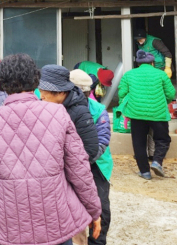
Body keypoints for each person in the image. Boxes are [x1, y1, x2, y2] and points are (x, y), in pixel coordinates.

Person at [0, 54, 102, 245]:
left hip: (9, 225)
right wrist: (94, 210)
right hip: (57, 222)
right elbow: (79, 169)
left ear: (2, 83)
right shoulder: (58, 113)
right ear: (35, 81)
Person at [118, 50, 176, 180]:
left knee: (139, 143)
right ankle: (157, 161)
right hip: (158, 113)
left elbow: (122, 93)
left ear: (138, 63)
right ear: (152, 63)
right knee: (162, 139)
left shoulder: (129, 75)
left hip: (136, 113)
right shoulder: (161, 74)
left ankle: (145, 172)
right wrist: (163, 102)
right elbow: (171, 94)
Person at [70, 70, 113, 245]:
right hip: (70, 164)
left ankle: (97, 241)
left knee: (100, 206)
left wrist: (84, 161)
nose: (84, 96)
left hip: (97, 164)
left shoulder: (98, 110)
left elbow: (102, 140)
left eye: (86, 92)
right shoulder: (59, 109)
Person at [37, 65, 100, 162]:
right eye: (40, 91)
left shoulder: (80, 112)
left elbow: (90, 149)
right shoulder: (41, 107)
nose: (42, 97)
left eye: (45, 92)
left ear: (61, 92)